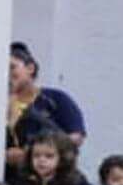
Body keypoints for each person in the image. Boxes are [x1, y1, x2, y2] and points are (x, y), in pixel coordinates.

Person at [6, 41, 86, 175]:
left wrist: (33, 153)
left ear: (30, 68)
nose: (6, 73)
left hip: (53, 178)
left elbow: (76, 137)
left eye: (12, 67)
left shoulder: (55, 98)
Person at [14, 132, 91, 185]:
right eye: (36, 155)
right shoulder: (24, 179)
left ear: (62, 158)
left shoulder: (73, 179)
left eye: (49, 156)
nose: (41, 160)